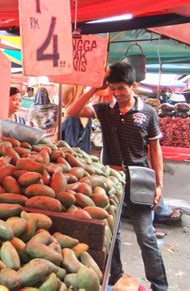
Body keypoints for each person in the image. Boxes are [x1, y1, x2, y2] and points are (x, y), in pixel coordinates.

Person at [66, 62, 168, 290]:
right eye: (113, 88)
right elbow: (71, 112)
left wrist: (159, 184)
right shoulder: (104, 109)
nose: (118, 93)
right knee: (112, 235)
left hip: (140, 179)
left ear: (134, 86)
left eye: (122, 87)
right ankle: (115, 277)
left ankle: (159, 285)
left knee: (146, 235)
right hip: (111, 179)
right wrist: (94, 88)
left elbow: (155, 149)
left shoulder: (148, 113)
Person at [61, 85, 92, 154]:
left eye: (64, 96)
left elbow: (70, 144)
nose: (62, 99)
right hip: (84, 154)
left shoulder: (72, 117)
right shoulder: (85, 112)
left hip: (74, 157)